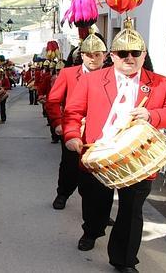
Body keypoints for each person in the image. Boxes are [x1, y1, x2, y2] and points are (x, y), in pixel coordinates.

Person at [63, 23, 166, 272]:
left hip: (139, 158)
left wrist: (152, 115)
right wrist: (72, 135)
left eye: (135, 53)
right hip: (98, 153)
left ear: (144, 54)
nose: (129, 58)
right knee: (96, 204)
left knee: (131, 211)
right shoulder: (91, 80)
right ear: (112, 56)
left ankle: (124, 259)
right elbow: (72, 112)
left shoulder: (161, 83)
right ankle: (92, 231)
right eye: (123, 53)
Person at [45, 32, 107, 211]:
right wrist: (57, 123)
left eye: (97, 54)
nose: (93, 58)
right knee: (69, 168)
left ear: (105, 55)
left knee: (99, 174)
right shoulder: (68, 74)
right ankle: (63, 193)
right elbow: (53, 101)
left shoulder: (111, 75)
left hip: (101, 135)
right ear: (82, 55)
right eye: (88, 54)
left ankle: (98, 213)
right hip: (73, 129)